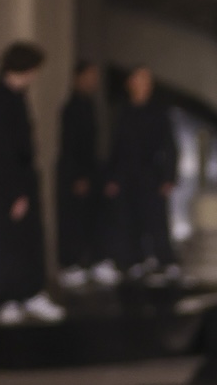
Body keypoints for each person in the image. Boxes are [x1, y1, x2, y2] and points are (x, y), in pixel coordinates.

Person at [0, 41, 66, 325]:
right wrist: (13, 193)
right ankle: (8, 299)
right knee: (6, 242)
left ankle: (31, 293)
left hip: (24, 181)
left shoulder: (18, 98)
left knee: (30, 241)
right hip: (4, 186)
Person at [103, 65, 179, 281]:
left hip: (151, 173)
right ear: (130, 84)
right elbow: (115, 147)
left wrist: (168, 177)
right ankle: (133, 259)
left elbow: (169, 146)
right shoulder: (122, 111)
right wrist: (112, 177)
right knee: (129, 218)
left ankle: (165, 260)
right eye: (139, 81)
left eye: (147, 82)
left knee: (156, 218)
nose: (144, 86)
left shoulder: (159, 112)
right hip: (126, 174)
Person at [56, 61, 119, 289]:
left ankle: (93, 260)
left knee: (94, 216)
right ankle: (72, 263)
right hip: (76, 172)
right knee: (75, 219)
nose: (94, 82)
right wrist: (77, 176)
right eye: (89, 76)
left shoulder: (90, 106)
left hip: (92, 170)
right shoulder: (71, 109)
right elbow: (70, 146)